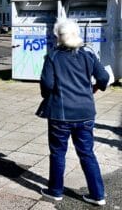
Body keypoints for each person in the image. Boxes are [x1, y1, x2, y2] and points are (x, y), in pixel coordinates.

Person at [36, 18, 109, 206]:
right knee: (87, 153)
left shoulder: (53, 56)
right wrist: (93, 89)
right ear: (77, 34)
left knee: (58, 153)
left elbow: (47, 84)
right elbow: (103, 78)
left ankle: (55, 191)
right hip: (85, 112)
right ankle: (98, 195)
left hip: (60, 114)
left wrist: (47, 96)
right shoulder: (88, 54)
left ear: (59, 37)